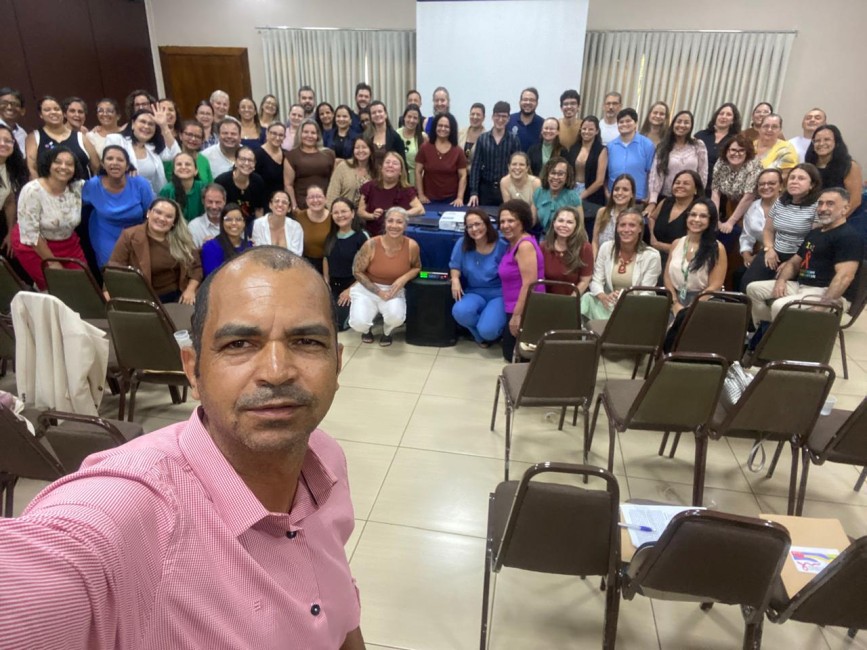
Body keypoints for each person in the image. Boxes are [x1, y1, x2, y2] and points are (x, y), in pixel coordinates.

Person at [0, 246, 366, 649]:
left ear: (337, 362)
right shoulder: (130, 510)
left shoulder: (326, 459)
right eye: (239, 344)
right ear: (192, 369)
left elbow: (338, 606)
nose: (276, 372)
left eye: (307, 341)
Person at [746, 187, 862, 325]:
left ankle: (784, 337)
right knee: (753, 289)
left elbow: (845, 277)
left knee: (780, 305)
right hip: (802, 286)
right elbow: (794, 262)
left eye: (830, 204)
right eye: (820, 203)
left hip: (828, 293)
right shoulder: (815, 233)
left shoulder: (848, 237)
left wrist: (822, 306)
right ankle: (765, 332)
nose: (823, 208)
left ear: (845, 208)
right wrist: (781, 281)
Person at [10, 147, 86, 289]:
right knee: (57, 288)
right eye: (58, 162)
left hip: (68, 243)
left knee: (83, 285)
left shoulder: (77, 187)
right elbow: (31, 234)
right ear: (48, 164)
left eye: (69, 164)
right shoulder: (32, 190)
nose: (63, 167)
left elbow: (103, 184)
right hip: (34, 245)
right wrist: (52, 262)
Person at [740, 163, 822, 289]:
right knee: (747, 284)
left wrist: (792, 263)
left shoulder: (817, 207)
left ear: (812, 185)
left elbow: (813, 241)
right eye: (792, 178)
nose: (794, 181)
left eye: (801, 178)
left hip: (800, 256)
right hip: (774, 251)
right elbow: (768, 230)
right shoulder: (780, 202)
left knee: (776, 290)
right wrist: (769, 249)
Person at [107, 197, 202, 304]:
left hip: (177, 296)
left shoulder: (182, 238)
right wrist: (108, 296)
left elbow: (196, 268)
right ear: (148, 213)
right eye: (158, 212)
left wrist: (190, 290)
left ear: (174, 222)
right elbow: (114, 268)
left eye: (169, 216)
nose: (162, 218)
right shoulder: (129, 235)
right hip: (141, 298)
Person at [349, 206, 421, 346]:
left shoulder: (412, 246)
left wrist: (403, 278)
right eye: (390, 221)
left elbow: (417, 267)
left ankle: (387, 332)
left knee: (396, 318)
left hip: (394, 289)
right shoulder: (371, 244)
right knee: (358, 323)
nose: (394, 225)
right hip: (368, 289)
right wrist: (378, 292)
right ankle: (366, 330)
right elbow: (357, 271)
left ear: (405, 225)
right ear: (385, 223)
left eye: (399, 222)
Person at [581, 207, 662, 320]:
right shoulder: (606, 248)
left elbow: (647, 292)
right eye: (622, 225)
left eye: (632, 225)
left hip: (635, 307)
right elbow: (596, 280)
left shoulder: (652, 256)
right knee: (587, 298)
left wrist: (623, 297)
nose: (626, 229)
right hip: (609, 303)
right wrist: (603, 296)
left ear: (640, 228)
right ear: (617, 228)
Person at [82, 145, 154, 268]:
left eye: (120, 160)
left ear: (127, 166)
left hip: (135, 232)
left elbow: (150, 212)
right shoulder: (93, 185)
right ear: (103, 164)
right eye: (109, 159)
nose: (114, 163)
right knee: (113, 269)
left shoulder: (140, 183)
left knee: (138, 268)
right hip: (105, 233)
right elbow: (78, 202)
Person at [449, 208, 508, 347]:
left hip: (498, 294)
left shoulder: (502, 244)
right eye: (470, 226)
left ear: (486, 224)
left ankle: (488, 331)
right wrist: (455, 279)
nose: (474, 229)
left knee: (489, 330)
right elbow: (455, 265)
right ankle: (479, 335)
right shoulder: (462, 243)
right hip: (474, 291)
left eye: (478, 224)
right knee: (459, 311)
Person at [497, 199, 545, 361]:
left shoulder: (524, 246)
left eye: (511, 221)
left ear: (522, 222)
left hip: (525, 310)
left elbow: (530, 284)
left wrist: (517, 316)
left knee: (515, 357)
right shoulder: (512, 243)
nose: (505, 225)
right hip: (513, 306)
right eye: (502, 221)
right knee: (509, 354)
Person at [664, 198, 727, 317]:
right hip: (675, 300)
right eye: (693, 214)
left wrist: (690, 308)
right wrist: (675, 303)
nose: (696, 219)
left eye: (703, 216)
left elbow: (715, 285)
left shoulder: (717, 248)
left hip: (703, 302)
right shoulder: (676, 243)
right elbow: (667, 277)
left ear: (710, 220)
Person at [105, 107, 179, 194]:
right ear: (133, 124)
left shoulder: (153, 148)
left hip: (151, 198)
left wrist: (164, 126)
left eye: (151, 124)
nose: (146, 126)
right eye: (143, 122)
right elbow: (109, 163)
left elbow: (176, 155)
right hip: (121, 195)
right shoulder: (116, 139)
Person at [646, 110, 708, 211]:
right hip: (667, 198)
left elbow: (703, 173)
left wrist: (699, 195)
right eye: (679, 121)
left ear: (691, 126)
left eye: (686, 122)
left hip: (690, 200)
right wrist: (653, 201)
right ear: (673, 124)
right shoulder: (663, 146)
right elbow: (656, 174)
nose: (682, 125)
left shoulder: (698, 145)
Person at [26, 96, 99, 180]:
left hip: (83, 186)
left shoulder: (80, 137)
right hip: (49, 187)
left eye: (57, 109)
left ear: (62, 112)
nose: (53, 112)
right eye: (47, 110)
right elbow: (32, 169)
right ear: (41, 115)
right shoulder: (34, 137)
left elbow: (96, 166)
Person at [323, 197, 369, 331]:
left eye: (344, 211)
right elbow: (326, 259)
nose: (340, 215)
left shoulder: (362, 236)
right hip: (334, 285)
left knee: (337, 325)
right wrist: (326, 282)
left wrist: (351, 290)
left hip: (354, 286)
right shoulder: (330, 236)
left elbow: (369, 269)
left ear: (353, 213)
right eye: (336, 212)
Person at [737, 168, 783, 291]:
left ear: (780, 186)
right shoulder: (752, 207)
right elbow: (747, 235)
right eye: (762, 184)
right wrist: (746, 255)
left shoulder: (788, 206)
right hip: (763, 253)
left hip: (785, 254)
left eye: (771, 183)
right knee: (740, 277)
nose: (766, 187)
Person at [468, 101, 520, 207]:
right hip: (485, 189)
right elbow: (476, 166)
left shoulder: (514, 140)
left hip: (507, 189)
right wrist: (474, 192)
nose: (500, 119)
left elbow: (517, 167)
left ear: (508, 119)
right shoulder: (482, 139)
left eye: (504, 116)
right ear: (492, 117)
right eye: (497, 116)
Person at [358, 152, 424, 236]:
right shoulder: (369, 187)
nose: (390, 165)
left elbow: (420, 209)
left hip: (397, 235)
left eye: (395, 163)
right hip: (373, 235)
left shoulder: (406, 190)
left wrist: (400, 214)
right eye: (387, 162)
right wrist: (372, 216)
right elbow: (360, 212)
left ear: (401, 171)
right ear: (381, 168)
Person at [649, 170, 704, 269]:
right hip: (654, 255)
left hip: (681, 261)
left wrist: (661, 246)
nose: (680, 186)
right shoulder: (665, 202)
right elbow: (652, 218)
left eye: (686, 183)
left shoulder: (698, 211)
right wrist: (652, 237)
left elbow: (695, 246)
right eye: (677, 183)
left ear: (695, 189)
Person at [805, 125, 863, 217]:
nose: (821, 143)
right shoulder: (809, 166)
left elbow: (855, 201)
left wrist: (836, 221)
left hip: (842, 218)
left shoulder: (850, 166)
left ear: (837, 142)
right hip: (811, 217)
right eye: (817, 140)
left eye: (827, 139)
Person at [711, 134, 763, 230]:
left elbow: (748, 197)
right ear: (727, 151)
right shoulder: (721, 162)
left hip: (753, 209)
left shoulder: (754, 165)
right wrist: (715, 219)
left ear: (747, 152)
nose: (736, 154)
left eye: (741, 150)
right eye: (733, 150)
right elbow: (715, 192)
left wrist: (731, 222)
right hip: (731, 205)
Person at [415, 112, 467, 206]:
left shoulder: (458, 151)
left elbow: (463, 175)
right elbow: (418, 171)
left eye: (446, 126)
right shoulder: (425, 148)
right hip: (428, 200)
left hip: (451, 201)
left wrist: (460, 198)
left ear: (451, 129)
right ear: (435, 127)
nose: (443, 128)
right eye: (440, 125)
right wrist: (421, 195)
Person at [285, 119, 336, 210]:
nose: (309, 135)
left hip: (326, 205)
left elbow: (334, 182)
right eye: (306, 132)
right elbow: (288, 185)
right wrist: (294, 207)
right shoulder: (291, 155)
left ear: (318, 135)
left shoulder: (329, 154)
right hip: (302, 206)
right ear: (300, 134)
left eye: (313, 133)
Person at [607, 108, 655, 202]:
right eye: (621, 122)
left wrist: (650, 197)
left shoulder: (647, 145)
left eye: (628, 121)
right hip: (614, 198)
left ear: (636, 123)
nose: (624, 124)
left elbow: (651, 173)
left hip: (638, 199)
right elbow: (605, 174)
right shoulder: (610, 146)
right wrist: (607, 193)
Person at [541, 206, 592, 294]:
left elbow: (585, 281)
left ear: (576, 226)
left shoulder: (585, 248)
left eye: (569, 222)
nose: (564, 225)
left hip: (574, 298)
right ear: (554, 223)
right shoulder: (543, 247)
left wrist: (570, 300)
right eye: (561, 221)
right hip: (546, 298)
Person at [694, 102, 742, 196]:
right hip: (697, 185)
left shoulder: (736, 140)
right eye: (721, 113)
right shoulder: (701, 135)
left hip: (720, 190)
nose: (724, 117)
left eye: (728, 114)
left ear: (733, 120)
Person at [214, 146, 267, 229]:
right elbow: (217, 211)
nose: (246, 163)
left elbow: (259, 210)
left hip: (250, 224)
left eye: (250, 160)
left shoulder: (258, 181)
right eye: (242, 159)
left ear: (254, 164)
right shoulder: (222, 181)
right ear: (235, 161)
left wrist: (259, 229)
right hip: (226, 223)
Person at [200, 203, 252, 276]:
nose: (234, 223)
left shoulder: (250, 247)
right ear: (222, 223)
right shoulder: (211, 247)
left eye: (238, 219)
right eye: (228, 219)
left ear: (244, 223)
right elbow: (212, 277)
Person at [0, 123, 29, 256]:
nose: (3, 144)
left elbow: (9, 201)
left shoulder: (10, 169)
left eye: (7, 141)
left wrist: (10, 231)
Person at [533, 157, 582, 234]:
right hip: (544, 236)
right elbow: (532, 221)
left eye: (560, 174)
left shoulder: (573, 197)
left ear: (567, 177)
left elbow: (580, 227)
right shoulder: (539, 192)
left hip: (566, 238)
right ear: (547, 174)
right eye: (553, 173)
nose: (556, 177)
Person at [592, 173, 636, 258]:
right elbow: (595, 242)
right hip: (601, 261)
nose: (619, 193)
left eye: (625, 190)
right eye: (616, 189)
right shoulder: (602, 212)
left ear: (632, 194)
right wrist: (594, 261)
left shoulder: (635, 217)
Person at [571, 116, 608, 214]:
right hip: (572, 190)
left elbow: (600, 181)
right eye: (584, 129)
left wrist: (582, 195)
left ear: (597, 131)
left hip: (592, 195)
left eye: (590, 129)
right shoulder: (574, 147)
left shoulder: (602, 150)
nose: (586, 132)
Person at [251, 190, 303, 255]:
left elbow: (296, 255)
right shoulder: (258, 224)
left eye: (284, 202)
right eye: (276, 201)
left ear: (289, 208)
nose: (280, 204)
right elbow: (258, 252)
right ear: (270, 205)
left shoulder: (296, 227)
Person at [326, 137, 373, 207]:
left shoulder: (376, 171)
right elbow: (331, 196)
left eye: (364, 147)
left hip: (365, 212)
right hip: (342, 211)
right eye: (357, 148)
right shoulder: (343, 167)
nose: (360, 150)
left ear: (371, 150)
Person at [294, 185, 331, 272]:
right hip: (305, 264)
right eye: (311, 197)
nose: (315, 200)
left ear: (325, 199)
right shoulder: (299, 217)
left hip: (329, 264)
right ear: (306, 200)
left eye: (319, 196)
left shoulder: (333, 218)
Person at [159, 153, 206, 222]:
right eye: (179, 164)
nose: (183, 167)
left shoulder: (203, 188)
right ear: (174, 170)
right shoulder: (167, 190)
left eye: (188, 164)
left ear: (196, 171)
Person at [364, 101, 406, 170]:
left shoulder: (395, 137)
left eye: (380, 111)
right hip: (369, 174)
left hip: (390, 174)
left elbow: (402, 161)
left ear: (385, 114)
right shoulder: (366, 136)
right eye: (374, 113)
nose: (377, 114)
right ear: (371, 117)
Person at [499, 151, 541, 220]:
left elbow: (534, 215)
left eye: (521, 164)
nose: (517, 167)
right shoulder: (504, 182)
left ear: (527, 168)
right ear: (509, 167)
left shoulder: (536, 183)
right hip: (514, 221)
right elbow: (508, 210)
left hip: (531, 222)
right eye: (514, 164)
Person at [173, 120, 214, 185]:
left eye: (198, 136)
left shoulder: (203, 160)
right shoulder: (172, 157)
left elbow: (210, 185)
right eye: (189, 134)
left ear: (202, 140)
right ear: (180, 135)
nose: (193, 139)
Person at [188, 183, 226, 248]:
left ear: (224, 202)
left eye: (218, 202)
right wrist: (204, 247)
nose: (214, 207)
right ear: (203, 201)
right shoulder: (194, 226)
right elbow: (190, 252)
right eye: (210, 202)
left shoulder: (234, 223)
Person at [397, 103, 426, 185]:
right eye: (409, 117)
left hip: (416, 180)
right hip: (399, 179)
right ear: (404, 117)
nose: (411, 120)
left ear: (419, 120)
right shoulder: (396, 134)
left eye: (415, 118)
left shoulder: (423, 137)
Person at [507, 87, 544, 152]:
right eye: (525, 99)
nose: (528, 102)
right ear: (520, 102)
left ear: (537, 103)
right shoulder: (509, 120)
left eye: (532, 100)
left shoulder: (543, 124)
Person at [0, 87, 27, 151]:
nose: (9, 107)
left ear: (23, 111)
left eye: (14, 104)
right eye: (4, 103)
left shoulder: (22, 133)